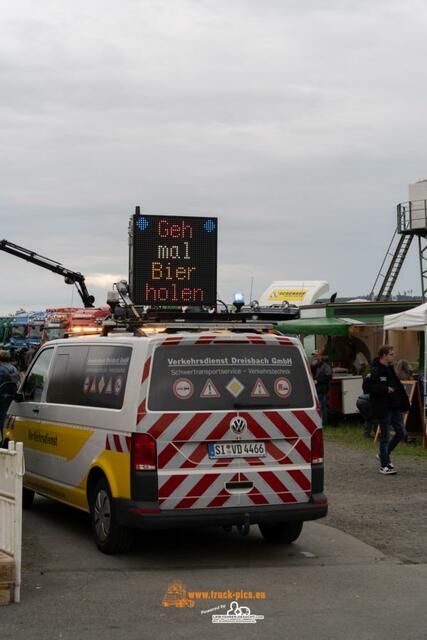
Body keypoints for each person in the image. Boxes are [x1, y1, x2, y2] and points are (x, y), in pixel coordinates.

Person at [369, 345, 410, 475]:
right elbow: (368, 388)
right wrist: (385, 389)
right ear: (384, 355)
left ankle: (383, 454)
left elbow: (397, 386)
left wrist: (404, 404)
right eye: (391, 354)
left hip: (395, 406)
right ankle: (384, 465)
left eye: (393, 354)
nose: (394, 356)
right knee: (385, 436)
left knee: (401, 433)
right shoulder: (375, 370)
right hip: (383, 408)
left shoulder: (390, 368)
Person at [0, 350, 19, 442]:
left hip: (2, 399)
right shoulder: (14, 369)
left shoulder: (1, 370)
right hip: (12, 399)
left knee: (2, 421)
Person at [315, 355, 332, 427]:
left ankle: (324, 423)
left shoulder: (326, 366)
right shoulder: (318, 366)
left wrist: (318, 381)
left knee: (323, 406)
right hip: (319, 388)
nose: (316, 359)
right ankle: (322, 422)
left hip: (323, 388)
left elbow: (328, 377)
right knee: (321, 406)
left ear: (321, 358)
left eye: (317, 357)